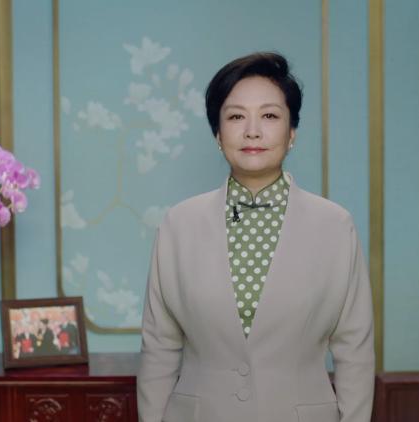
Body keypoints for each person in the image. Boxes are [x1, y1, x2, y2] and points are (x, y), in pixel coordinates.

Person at [137, 52, 374, 422]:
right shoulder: (178, 224)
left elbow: (354, 350)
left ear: (292, 132)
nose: (252, 131)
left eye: (269, 116)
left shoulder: (335, 225)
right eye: (236, 117)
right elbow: (159, 347)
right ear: (218, 133)